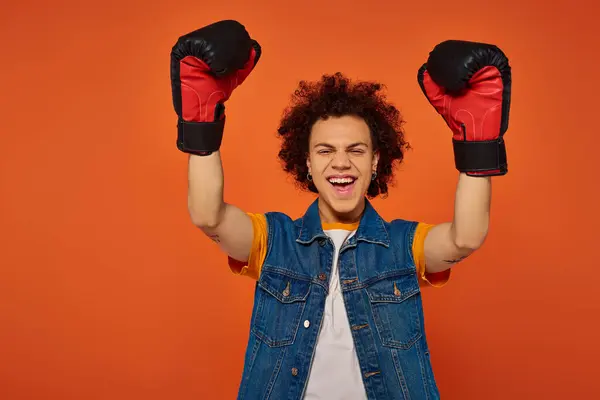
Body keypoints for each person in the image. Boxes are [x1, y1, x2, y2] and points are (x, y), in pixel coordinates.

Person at [170, 20, 511, 400]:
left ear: (376, 162)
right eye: (326, 151)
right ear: (309, 164)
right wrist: (200, 123)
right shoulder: (274, 241)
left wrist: (478, 145)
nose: (341, 163)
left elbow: (466, 237)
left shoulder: (402, 245)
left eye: (356, 150)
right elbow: (208, 216)